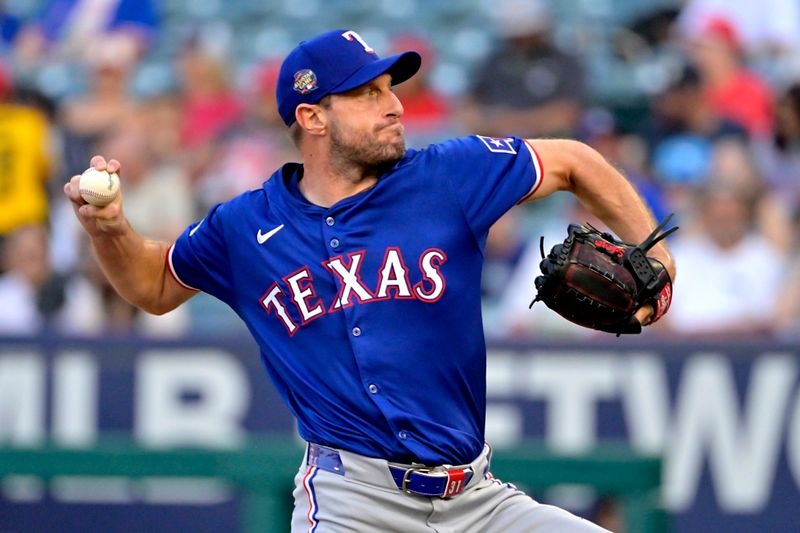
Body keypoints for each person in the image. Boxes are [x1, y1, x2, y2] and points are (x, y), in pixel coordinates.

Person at [63, 29, 675, 532]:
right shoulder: (244, 227)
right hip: (354, 505)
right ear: (313, 117)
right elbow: (154, 286)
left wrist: (658, 255)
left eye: (390, 87)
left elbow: (574, 161)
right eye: (368, 92)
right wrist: (110, 231)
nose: (395, 104)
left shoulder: (445, 177)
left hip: (479, 502)